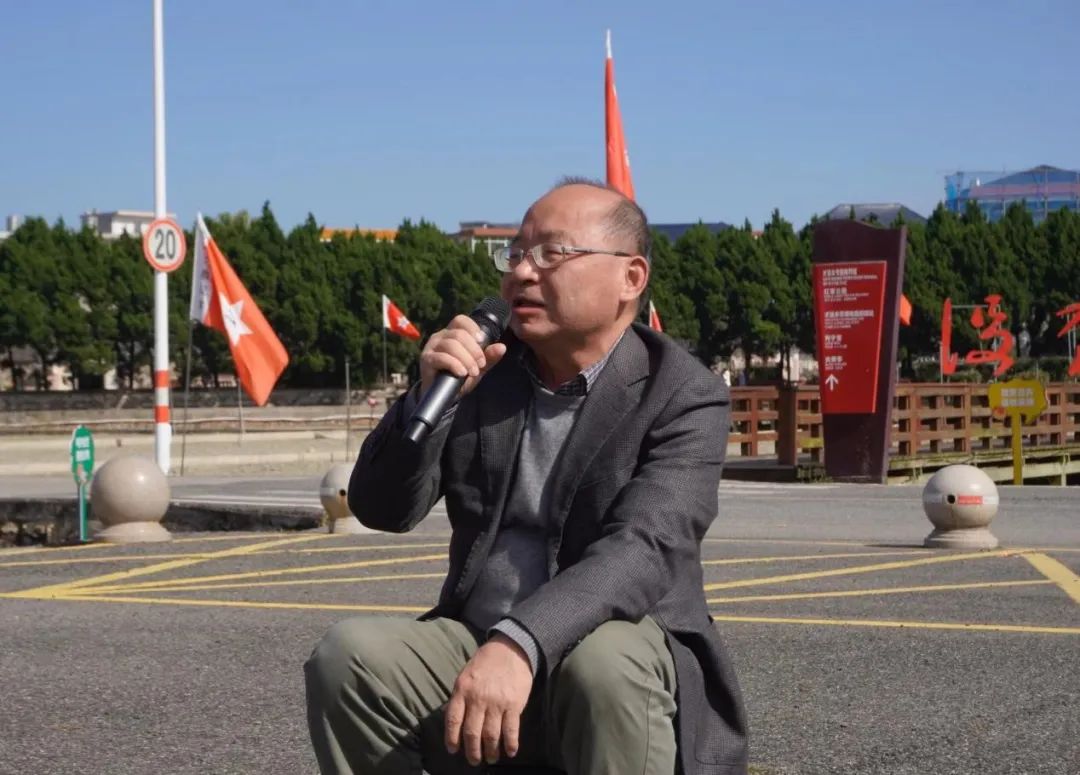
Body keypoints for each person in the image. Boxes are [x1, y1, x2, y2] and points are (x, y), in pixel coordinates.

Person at [304, 179, 748, 775]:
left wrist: (521, 640)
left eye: (551, 253)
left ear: (631, 277)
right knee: (349, 658)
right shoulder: (488, 370)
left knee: (604, 664)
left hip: (611, 654)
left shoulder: (683, 393)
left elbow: (644, 548)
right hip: (479, 643)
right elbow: (382, 509)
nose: (520, 273)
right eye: (514, 254)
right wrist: (427, 400)